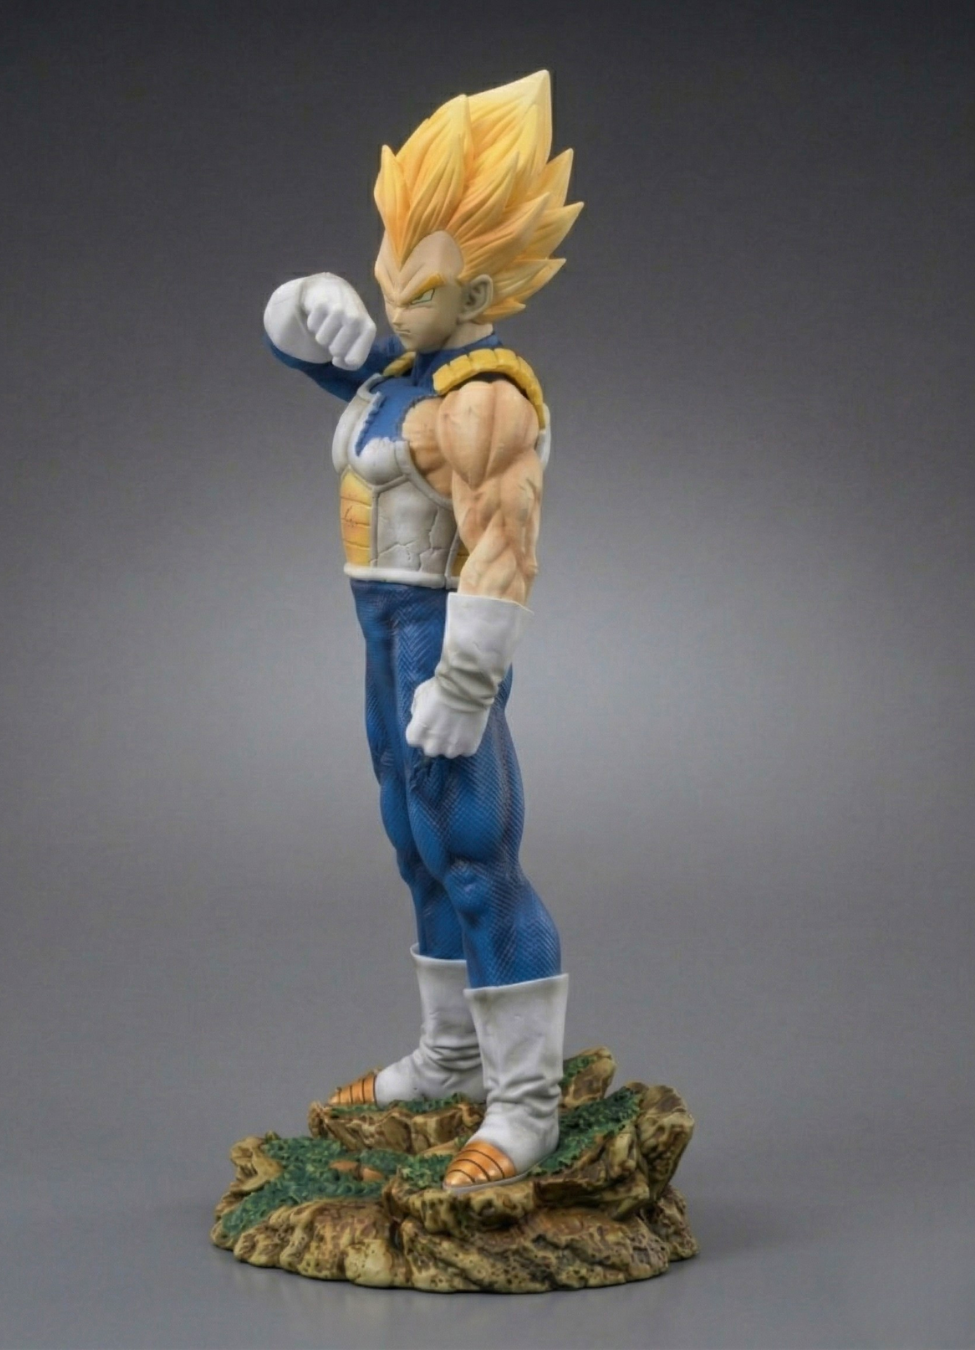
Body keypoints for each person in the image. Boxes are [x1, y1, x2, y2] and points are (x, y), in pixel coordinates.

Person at [263, 71, 582, 1192]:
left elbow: (503, 545)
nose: (394, 294)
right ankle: (451, 1055)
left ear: (480, 288)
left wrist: (465, 680)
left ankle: (526, 1104)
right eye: (387, 264)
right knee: (413, 845)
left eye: (423, 280)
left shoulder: (486, 397)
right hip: (378, 637)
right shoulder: (404, 370)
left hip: (438, 641)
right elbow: (301, 348)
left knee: (475, 858)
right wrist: (305, 297)